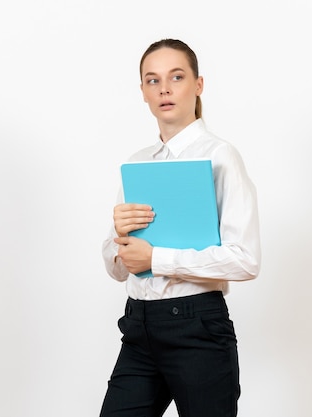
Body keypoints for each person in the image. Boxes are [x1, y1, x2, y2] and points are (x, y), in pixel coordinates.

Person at [99, 39, 261, 417]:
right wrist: (118, 243)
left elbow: (246, 261)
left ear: (198, 84)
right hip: (139, 327)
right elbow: (116, 267)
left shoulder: (220, 157)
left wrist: (157, 257)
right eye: (152, 80)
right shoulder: (137, 164)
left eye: (176, 76)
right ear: (143, 92)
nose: (165, 89)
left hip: (197, 330)